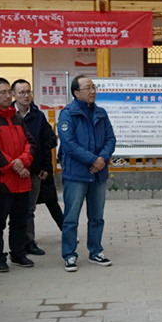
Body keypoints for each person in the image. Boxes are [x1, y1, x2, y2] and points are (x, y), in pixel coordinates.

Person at [58, 75, 116, 272]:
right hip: (76, 174)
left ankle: (95, 251)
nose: (92, 91)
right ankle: (69, 254)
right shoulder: (68, 114)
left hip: (98, 174)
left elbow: (110, 139)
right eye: (87, 88)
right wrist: (94, 160)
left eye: (94, 87)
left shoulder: (101, 112)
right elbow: (69, 144)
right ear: (76, 93)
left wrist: (102, 160)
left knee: (97, 216)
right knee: (71, 217)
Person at [0, 77, 36, 272]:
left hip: (22, 179)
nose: (8, 96)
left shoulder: (16, 116)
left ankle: (18, 253)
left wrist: (23, 162)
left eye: (9, 92)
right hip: (2, 180)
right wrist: (12, 166)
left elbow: (29, 142)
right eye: (3, 93)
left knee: (20, 220)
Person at [11, 79, 55, 256]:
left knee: (29, 209)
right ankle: (14, 246)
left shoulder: (38, 115)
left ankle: (29, 242)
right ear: (13, 95)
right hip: (11, 170)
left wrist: (45, 166)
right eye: (21, 92)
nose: (26, 95)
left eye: (28, 92)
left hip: (34, 170)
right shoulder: (6, 115)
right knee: (11, 210)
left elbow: (46, 142)